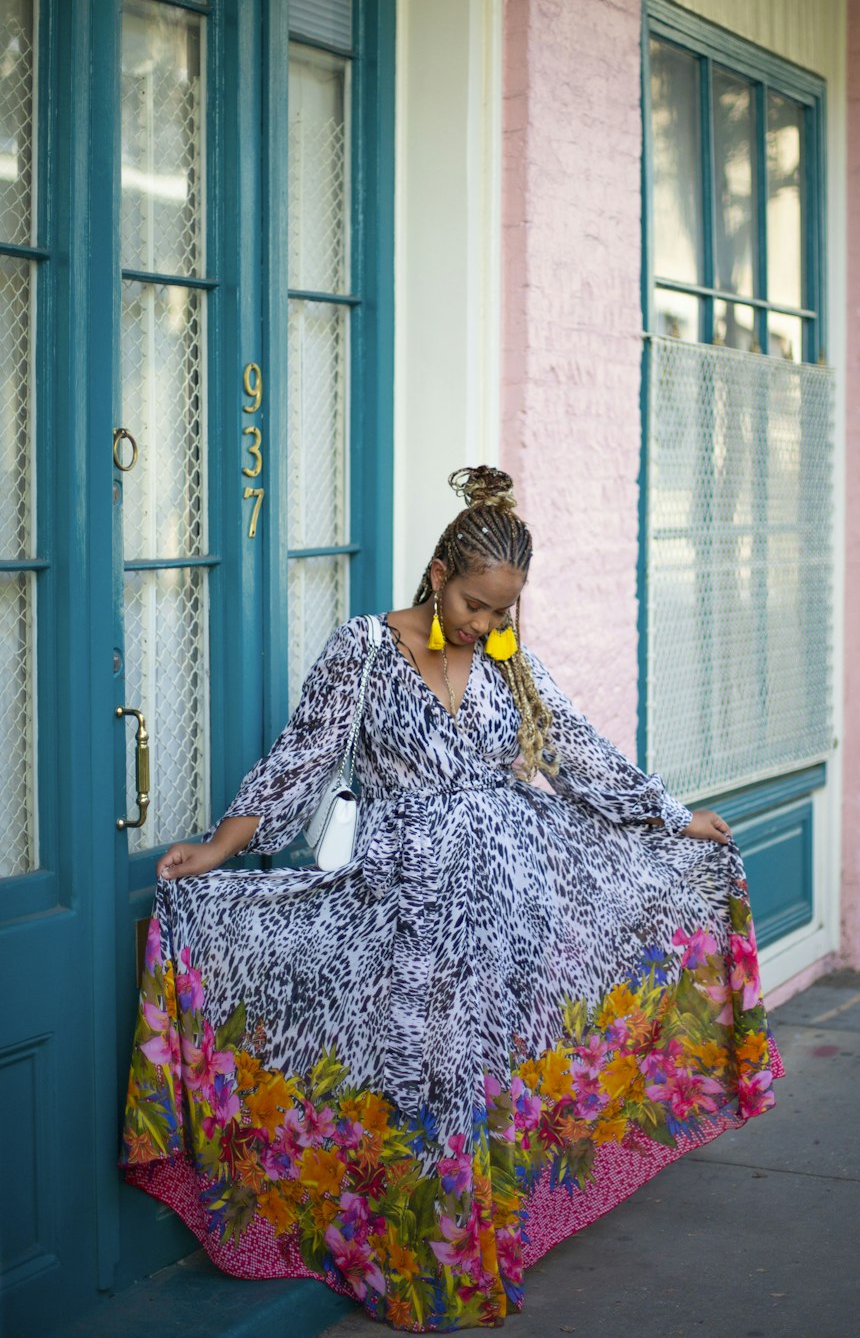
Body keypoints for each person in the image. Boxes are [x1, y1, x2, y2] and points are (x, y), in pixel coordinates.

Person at [121, 465, 785, 1333]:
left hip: (512, 910)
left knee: (478, 1087)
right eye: (477, 605)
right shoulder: (362, 651)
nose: (487, 626)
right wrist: (219, 848)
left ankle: (472, 1259)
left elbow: (575, 755)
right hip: (407, 909)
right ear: (439, 577)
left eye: (504, 611)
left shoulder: (507, 663)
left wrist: (669, 817)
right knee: (420, 1086)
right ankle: (418, 1270)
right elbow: (301, 762)